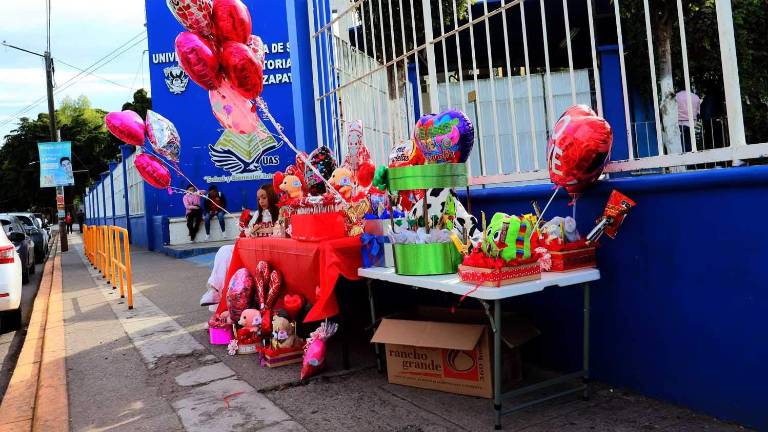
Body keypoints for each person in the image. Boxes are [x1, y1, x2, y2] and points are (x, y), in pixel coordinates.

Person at [676, 89, 702, 153]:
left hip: (679, 124)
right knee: (691, 146)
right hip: (692, 124)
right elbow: (698, 113)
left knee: (681, 146)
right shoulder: (696, 97)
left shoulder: (676, 96)